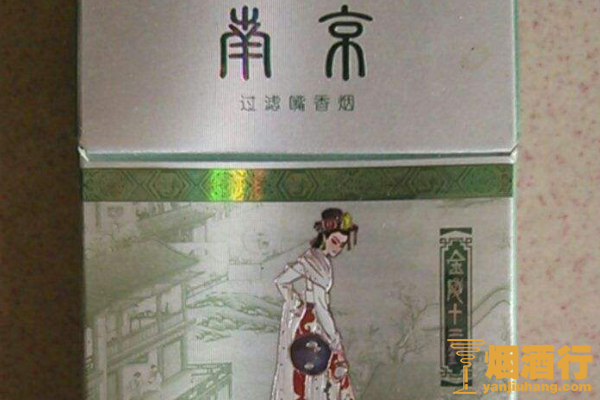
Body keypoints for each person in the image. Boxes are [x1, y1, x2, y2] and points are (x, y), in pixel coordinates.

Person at [271, 208, 358, 400]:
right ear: (324, 236)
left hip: (302, 322)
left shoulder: (310, 257)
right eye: (335, 241)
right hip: (314, 324)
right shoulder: (317, 263)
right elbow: (320, 307)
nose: (338, 248)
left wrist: (296, 303)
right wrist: (334, 338)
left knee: (307, 377)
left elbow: (282, 282)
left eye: (342, 244)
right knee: (320, 373)